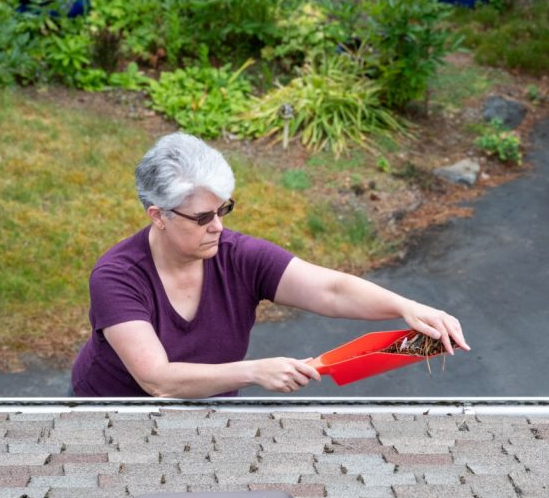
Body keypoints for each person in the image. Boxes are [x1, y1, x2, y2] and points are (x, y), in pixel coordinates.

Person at [70, 132, 469, 398]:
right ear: (159, 216)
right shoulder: (117, 277)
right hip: (112, 416)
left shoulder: (238, 256)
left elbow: (330, 290)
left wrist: (408, 308)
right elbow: (156, 379)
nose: (219, 227)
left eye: (223, 209)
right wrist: (254, 372)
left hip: (207, 409)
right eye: (203, 217)